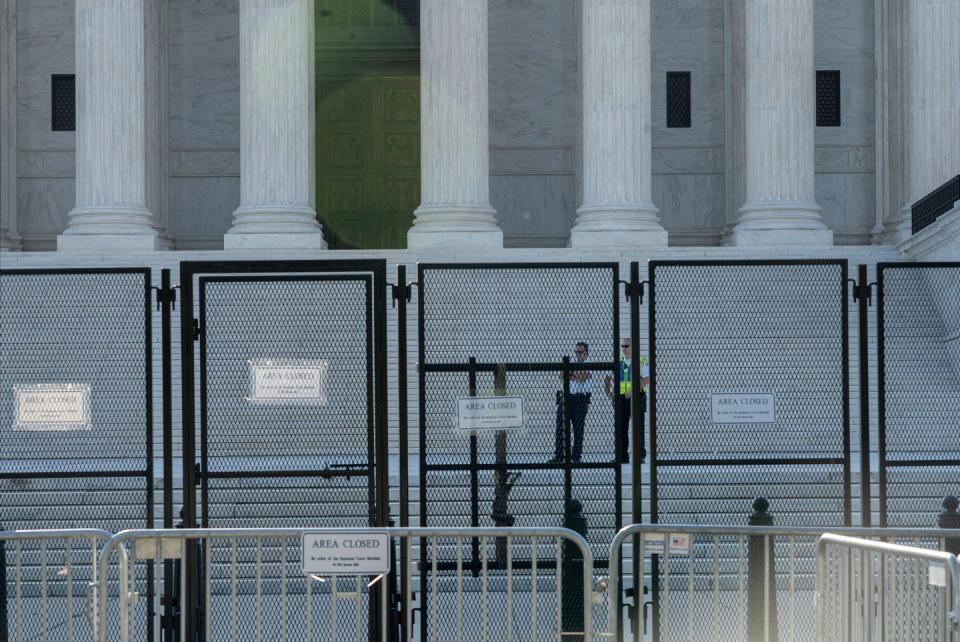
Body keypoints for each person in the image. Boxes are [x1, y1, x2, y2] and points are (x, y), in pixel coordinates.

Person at [604, 338, 648, 464]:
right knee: (621, 428)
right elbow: (607, 379)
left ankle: (640, 455)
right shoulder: (618, 362)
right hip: (621, 399)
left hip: (636, 398)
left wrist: (633, 390)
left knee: (638, 427)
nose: (623, 348)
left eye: (626, 346)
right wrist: (610, 393)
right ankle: (622, 455)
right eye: (622, 346)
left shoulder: (641, 361)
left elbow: (646, 380)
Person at [548, 342, 591, 463]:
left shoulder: (589, 363)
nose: (578, 354)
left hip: (580, 399)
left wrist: (569, 373)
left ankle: (576, 456)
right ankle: (559, 456)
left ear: (586, 353)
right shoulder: (571, 362)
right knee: (560, 428)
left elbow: (583, 377)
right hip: (565, 397)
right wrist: (572, 374)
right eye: (576, 352)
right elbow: (561, 375)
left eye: (580, 352)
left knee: (578, 429)